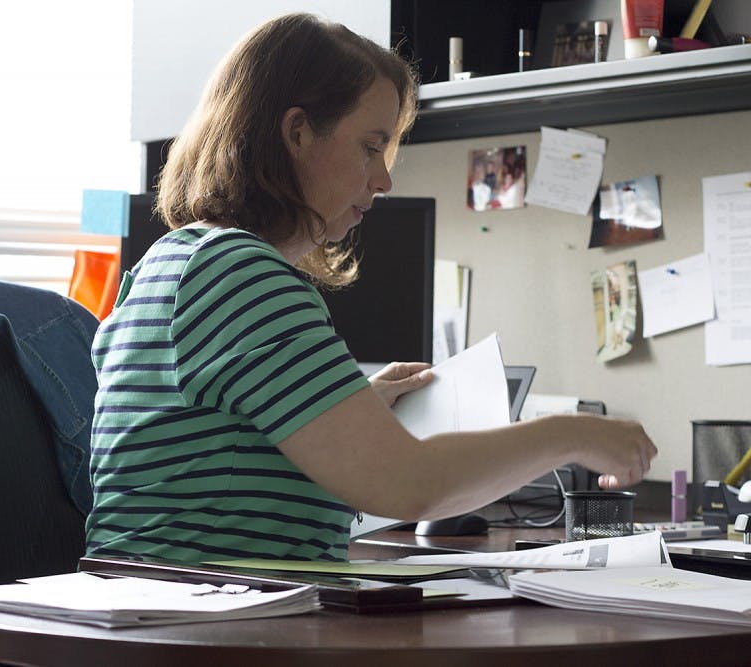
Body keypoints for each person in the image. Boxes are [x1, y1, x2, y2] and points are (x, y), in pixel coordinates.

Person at [85, 12, 657, 565]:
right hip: (210, 625)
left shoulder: (175, 260)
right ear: (298, 132)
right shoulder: (240, 275)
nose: (383, 178)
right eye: (370, 146)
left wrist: (348, 408)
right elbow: (409, 485)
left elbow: (214, 447)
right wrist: (574, 436)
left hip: (170, 608)